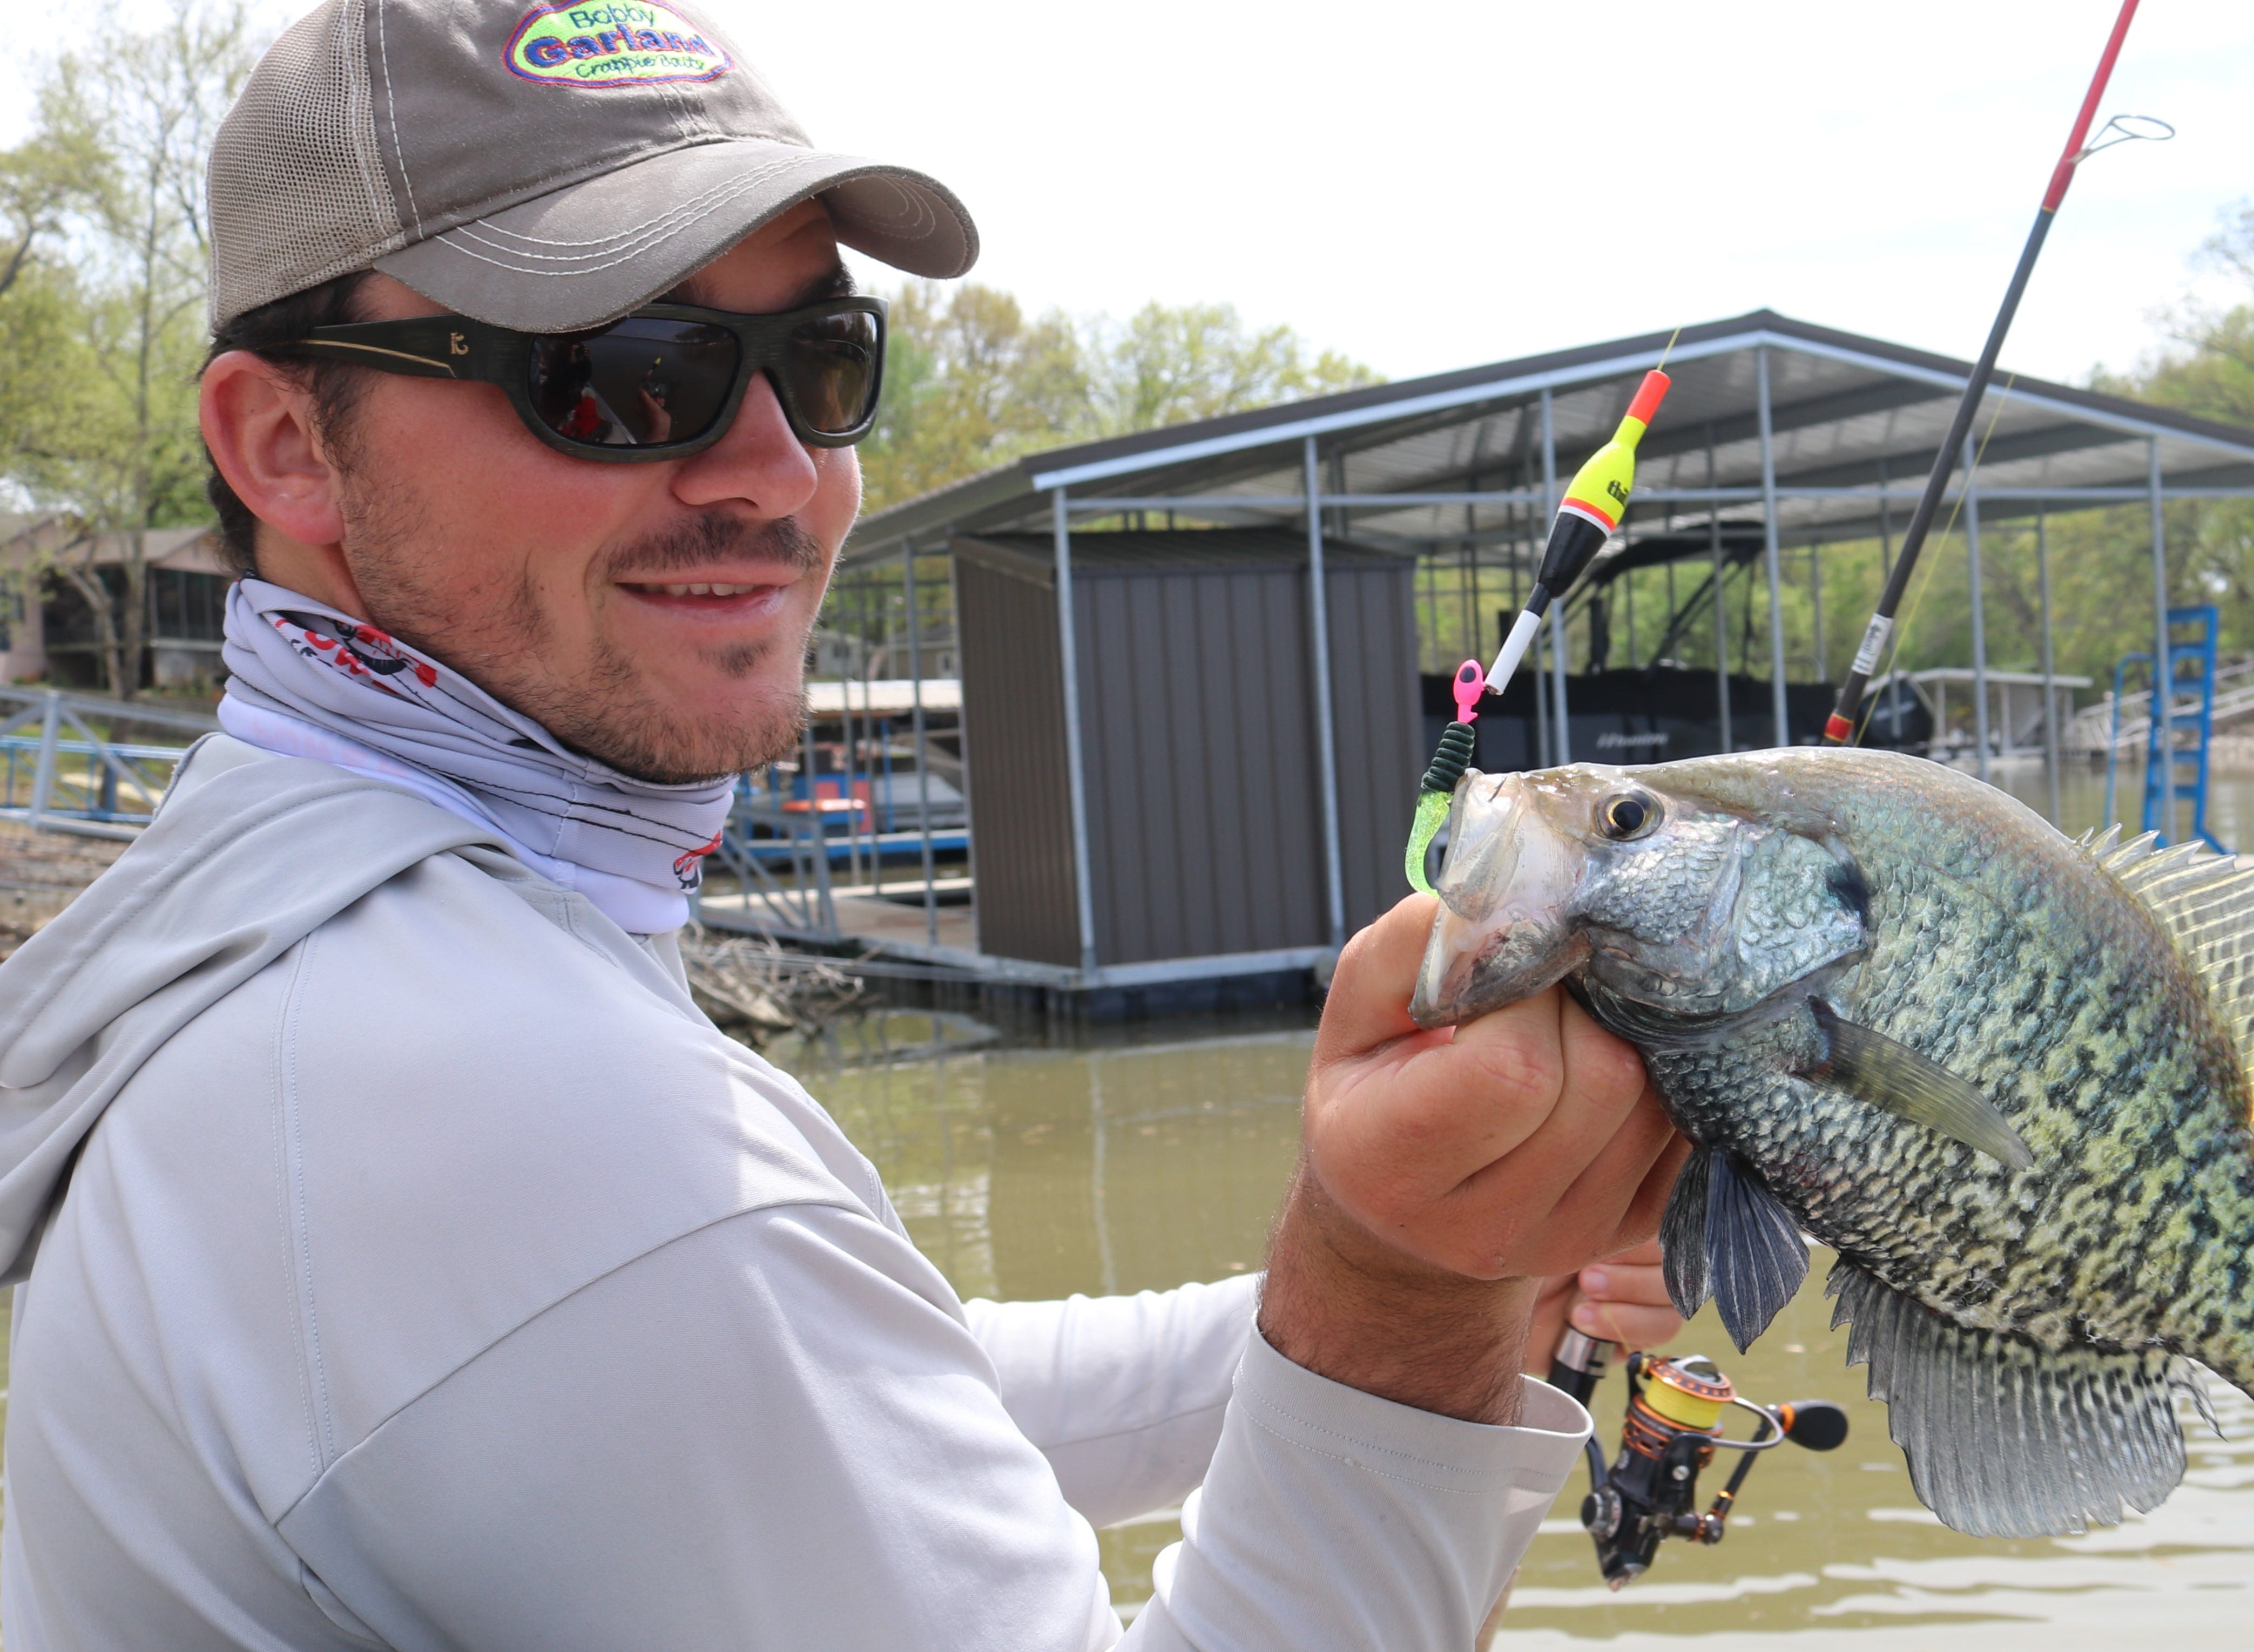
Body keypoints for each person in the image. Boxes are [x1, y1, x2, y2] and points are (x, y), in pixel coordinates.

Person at [0, 2, 1689, 1647]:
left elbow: (858, 1382)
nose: (778, 470)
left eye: (818, 358)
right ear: (286, 442)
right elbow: (695, 1275)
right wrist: (1400, 1322)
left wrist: (1453, 1259)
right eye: (621, 371)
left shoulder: (258, 915)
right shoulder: (493, 1091)